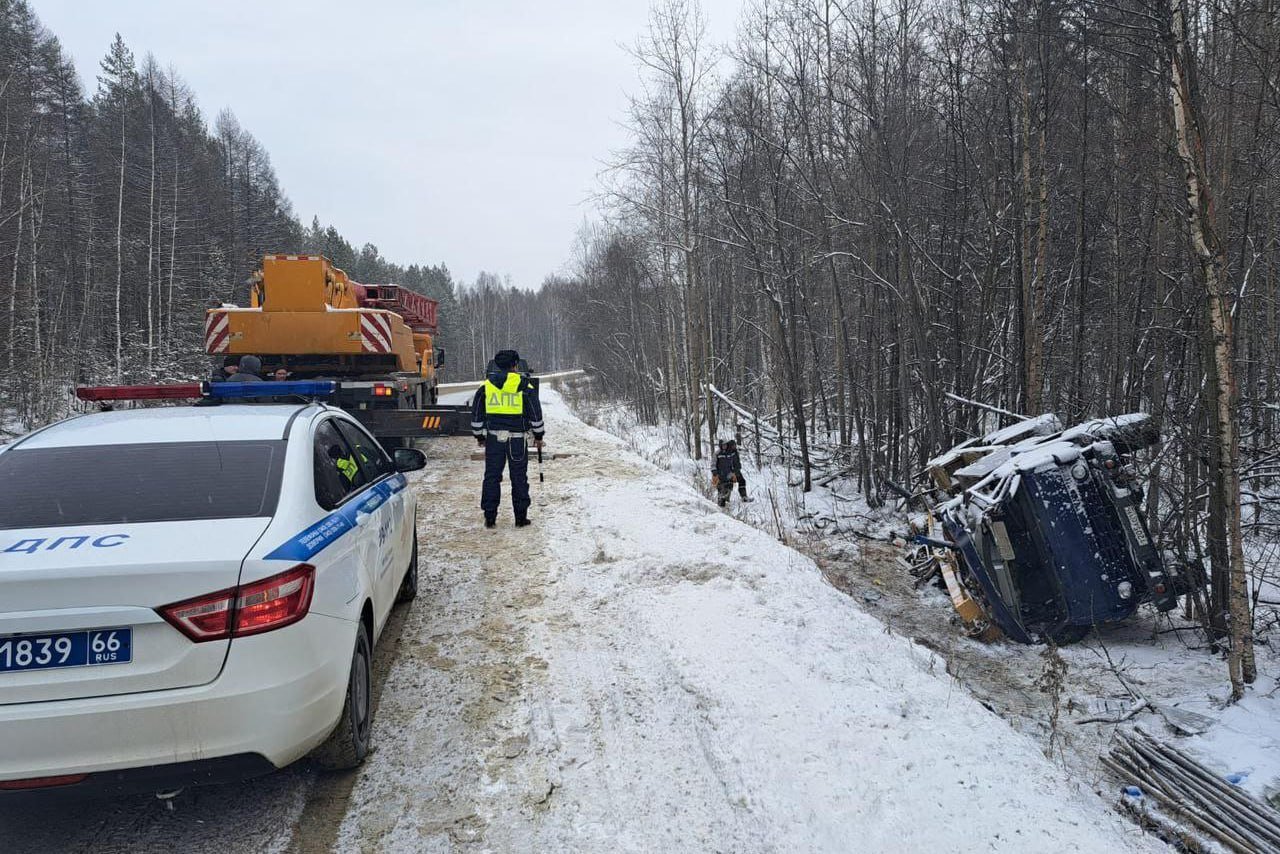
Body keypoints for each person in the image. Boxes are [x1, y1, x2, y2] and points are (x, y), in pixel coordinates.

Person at [470, 349, 545, 528]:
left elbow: (477, 415)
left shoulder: (486, 386)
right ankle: (520, 518)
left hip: (494, 439)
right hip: (517, 440)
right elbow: (535, 413)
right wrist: (539, 435)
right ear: (515, 365)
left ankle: (490, 517)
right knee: (519, 477)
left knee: (492, 477)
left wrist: (479, 436)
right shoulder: (525, 385)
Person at [712, 439, 749, 507]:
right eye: (723, 445)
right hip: (720, 474)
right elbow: (713, 463)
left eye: (725, 445)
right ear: (720, 445)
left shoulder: (730, 453)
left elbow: (734, 462)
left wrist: (735, 470)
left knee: (729, 488)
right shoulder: (717, 453)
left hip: (729, 473)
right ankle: (720, 505)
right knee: (721, 489)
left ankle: (727, 503)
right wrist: (714, 471)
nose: (724, 446)